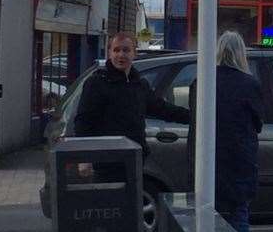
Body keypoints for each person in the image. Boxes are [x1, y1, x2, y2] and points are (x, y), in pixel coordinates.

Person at [74, 32, 190, 175]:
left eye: (126, 50)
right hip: (105, 162)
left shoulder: (140, 84)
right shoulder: (96, 83)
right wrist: (84, 158)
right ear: (109, 53)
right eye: (116, 50)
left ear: (134, 53)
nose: (121, 55)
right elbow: (83, 122)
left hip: (134, 160)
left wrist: (194, 117)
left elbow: (162, 109)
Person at [188, 31, 263, 232]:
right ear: (241, 53)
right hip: (238, 166)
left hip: (206, 166)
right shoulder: (250, 85)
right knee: (238, 219)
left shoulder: (201, 81)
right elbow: (257, 123)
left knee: (206, 226)